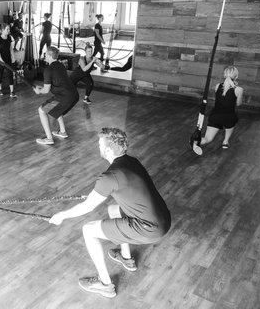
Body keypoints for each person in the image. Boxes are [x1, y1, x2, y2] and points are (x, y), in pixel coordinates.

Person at [49, 127, 171, 298]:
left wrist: (62, 215)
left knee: (88, 230)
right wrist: (97, 192)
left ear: (107, 149)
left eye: (99, 144)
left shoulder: (110, 177)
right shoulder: (131, 161)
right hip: (163, 217)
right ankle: (126, 257)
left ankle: (105, 284)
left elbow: (87, 207)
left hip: (149, 228)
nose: (98, 146)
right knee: (113, 209)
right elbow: (126, 188)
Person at [33, 46, 78, 145]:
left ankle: (49, 138)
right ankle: (62, 132)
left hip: (64, 97)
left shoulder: (48, 70)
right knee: (58, 108)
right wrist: (41, 88)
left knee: (41, 110)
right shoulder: (60, 65)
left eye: (45, 54)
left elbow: (46, 90)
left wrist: (39, 91)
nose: (44, 55)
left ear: (49, 55)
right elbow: (54, 83)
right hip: (74, 95)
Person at [193, 66, 243, 155]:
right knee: (232, 120)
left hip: (215, 116)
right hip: (229, 117)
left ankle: (195, 142)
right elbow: (238, 104)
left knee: (207, 139)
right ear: (236, 76)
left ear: (224, 75)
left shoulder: (217, 86)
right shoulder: (239, 90)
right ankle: (225, 142)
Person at [0, 24, 17, 98]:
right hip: (1, 60)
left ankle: (12, 92)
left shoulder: (9, 38)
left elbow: (10, 49)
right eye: (7, 29)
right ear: (2, 30)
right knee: (0, 74)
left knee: (10, 75)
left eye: (9, 29)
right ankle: (0, 89)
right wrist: (1, 60)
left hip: (8, 60)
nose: (8, 31)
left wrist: (13, 57)